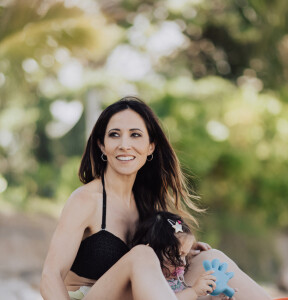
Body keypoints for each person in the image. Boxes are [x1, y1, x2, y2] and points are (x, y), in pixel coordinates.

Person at [40, 96, 272, 300]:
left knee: (209, 259)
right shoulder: (86, 200)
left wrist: (181, 250)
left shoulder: (146, 201)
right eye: (114, 135)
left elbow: (158, 269)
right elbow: (51, 276)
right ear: (102, 145)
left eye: (135, 135)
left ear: (151, 146)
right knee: (141, 254)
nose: (124, 145)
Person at [131, 211, 235, 298]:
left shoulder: (175, 281)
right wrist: (194, 291)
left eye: (185, 255)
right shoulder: (148, 283)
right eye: (177, 254)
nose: (183, 262)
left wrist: (214, 298)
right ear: (151, 251)